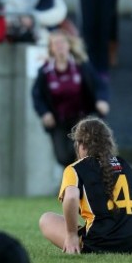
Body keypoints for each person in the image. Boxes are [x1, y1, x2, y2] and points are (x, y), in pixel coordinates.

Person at [39, 117, 132, 255]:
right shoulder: (125, 164)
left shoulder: (75, 169)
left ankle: (76, 242)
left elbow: (71, 198)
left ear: (81, 145)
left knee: (46, 219)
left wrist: (71, 234)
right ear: (108, 143)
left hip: (97, 244)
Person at [31, 30, 110, 167]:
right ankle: (72, 181)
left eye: (62, 42)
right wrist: (44, 112)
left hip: (82, 119)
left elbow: (100, 85)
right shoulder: (45, 71)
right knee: (63, 156)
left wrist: (101, 100)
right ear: (51, 48)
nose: (59, 46)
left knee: (82, 154)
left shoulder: (81, 66)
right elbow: (37, 95)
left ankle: (82, 183)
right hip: (59, 121)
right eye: (55, 43)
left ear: (69, 45)